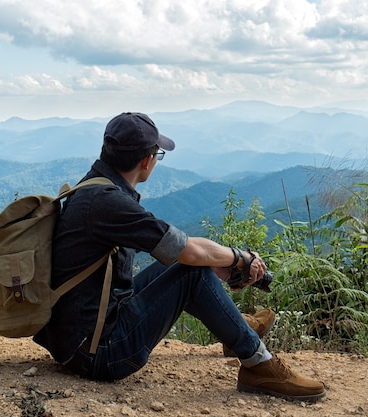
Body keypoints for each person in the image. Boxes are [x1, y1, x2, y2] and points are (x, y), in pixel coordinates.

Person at [33, 112, 326, 402]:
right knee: (192, 271)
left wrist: (223, 260)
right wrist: (238, 257)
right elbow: (188, 251)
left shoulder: (93, 187)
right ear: (147, 161)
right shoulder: (108, 203)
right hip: (102, 351)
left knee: (184, 264)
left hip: (79, 338)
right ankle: (258, 364)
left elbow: (175, 244)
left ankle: (234, 325)